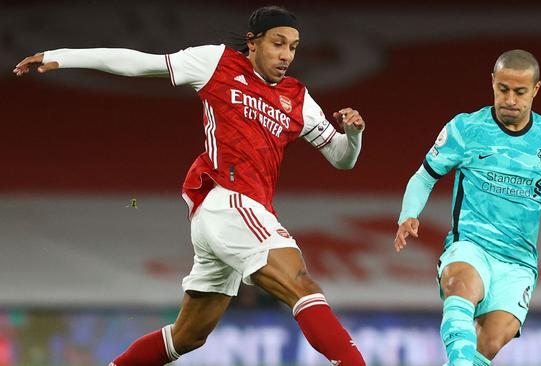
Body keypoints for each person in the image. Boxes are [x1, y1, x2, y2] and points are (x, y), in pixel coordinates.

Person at [14, 6, 366, 366]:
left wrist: (353, 135)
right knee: (301, 283)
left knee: (188, 336)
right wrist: (63, 56)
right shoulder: (217, 62)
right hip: (228, 201)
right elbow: (140, 63)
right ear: (253, 42)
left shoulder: (298, 98)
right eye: (278, 43)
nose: (286, 55)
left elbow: (342, 158)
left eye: (293, 47)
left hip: (228, 216)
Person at [393, 49, 541, 366]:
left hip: (518, 262)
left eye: (520, 91)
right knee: (460, 285)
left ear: (535, 90)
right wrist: (408, 215)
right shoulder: (465, 130)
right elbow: (423, 178)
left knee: (490, 342)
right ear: (492, 82)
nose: (510, 99)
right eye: (503, 89)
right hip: (469, 245)